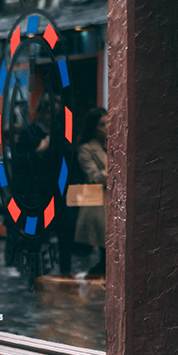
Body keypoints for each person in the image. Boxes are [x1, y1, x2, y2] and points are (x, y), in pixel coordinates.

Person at [74, 107, 107, 277]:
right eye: (102, 125)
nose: (107, 128)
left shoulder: (115, 145)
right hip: (98, 202)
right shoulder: (87, 148)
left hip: (114, 202)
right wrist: (115, 169)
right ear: (94, 128)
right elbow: (94, 176)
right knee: (105, 245)